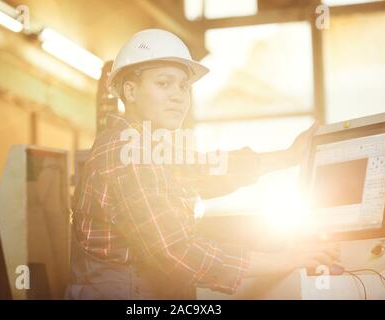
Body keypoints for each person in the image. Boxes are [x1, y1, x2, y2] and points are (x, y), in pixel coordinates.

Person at [65, 29, 339, 300]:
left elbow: (207, 170)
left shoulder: (150, 147)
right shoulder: (128, 152)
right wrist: (285, 259)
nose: (179, 95)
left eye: (184, 86)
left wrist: (287, 157)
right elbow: (177, 252)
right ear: (130, 91)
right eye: (164, 83)